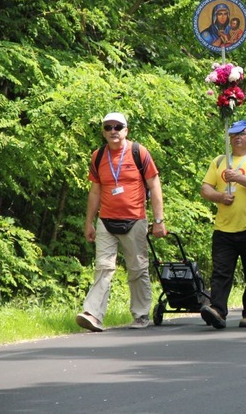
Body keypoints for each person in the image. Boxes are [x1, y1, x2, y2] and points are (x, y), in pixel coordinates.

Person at [77, 112, 167, 332]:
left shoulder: (139, 152)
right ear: (103, 132)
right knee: (103, 268)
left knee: (137, 268)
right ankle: (93, 314)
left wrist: (158, 220)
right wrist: (89, 222)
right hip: (106, 221)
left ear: (126, 130)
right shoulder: (98, 156)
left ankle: (140, 314)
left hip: (135, 219)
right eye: (108, 127)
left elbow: (154, 185)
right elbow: (95, 191)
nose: (113, 131)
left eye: (118, 127)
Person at [199, 120, 246, 329]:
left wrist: (239, 179)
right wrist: (220, 197)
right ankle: (217, 310)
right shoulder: (220, 160)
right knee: (221, 272)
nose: (237, 137)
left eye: (242, 133)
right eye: (233, 134)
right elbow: (205, 189)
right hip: (224, 228)